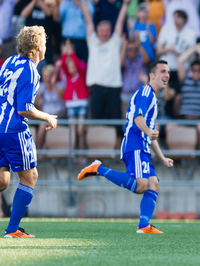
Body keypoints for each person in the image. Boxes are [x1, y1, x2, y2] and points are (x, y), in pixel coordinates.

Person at [77, 60, 174, 234]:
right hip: (134, 144)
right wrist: (148, 131)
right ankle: (99, 169)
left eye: (168, 72)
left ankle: (144, 225)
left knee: (153, 184)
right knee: (141, 185)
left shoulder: (152, 96)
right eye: (162, 71)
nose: (166, 75)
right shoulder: (146, 93)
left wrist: (162, 157)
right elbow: (138, 119)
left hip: (143, 146)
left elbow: (150, 133)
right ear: (151, 75)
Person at [0, 25, 58, 237]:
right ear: (38, 47)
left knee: (3, 181)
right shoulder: (31, 71)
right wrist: (48, 117)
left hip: (0, 127)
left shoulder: (9, 62)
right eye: (44, 42)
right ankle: (13, 230)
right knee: (29, 176)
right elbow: (25, 109)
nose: (45, 45)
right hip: (13, 130)